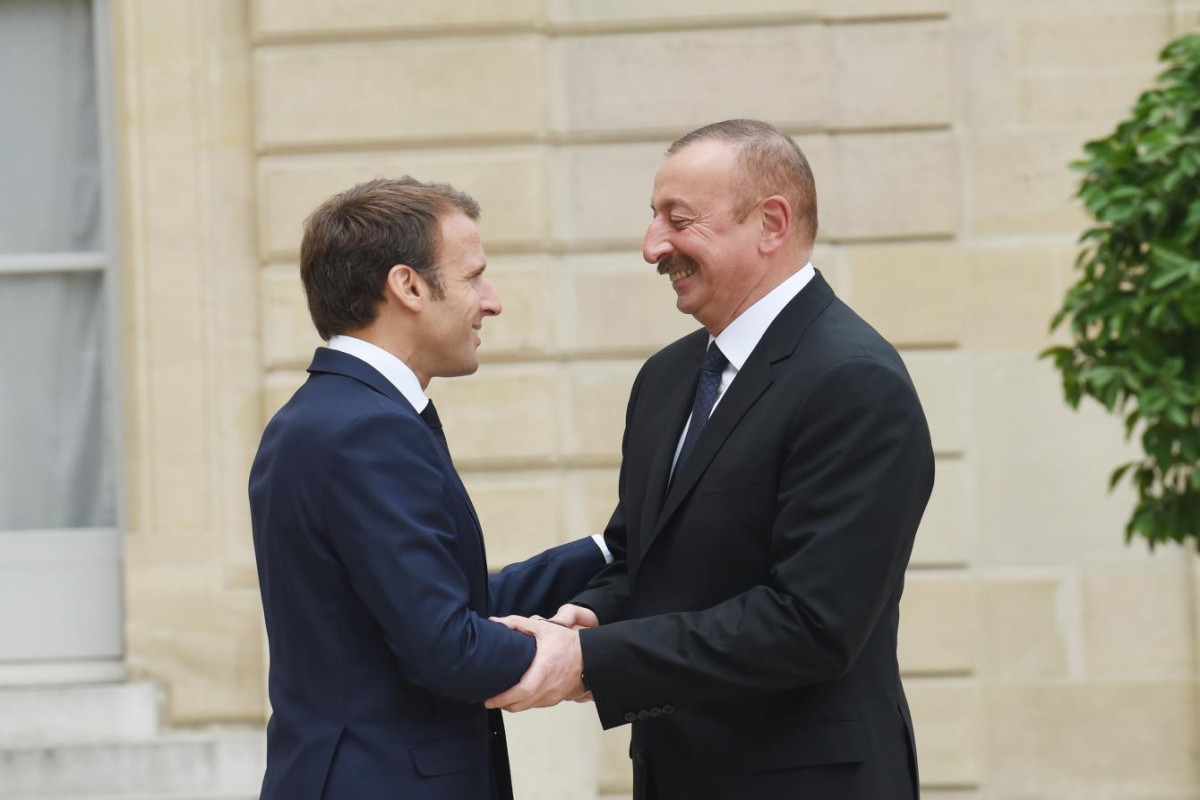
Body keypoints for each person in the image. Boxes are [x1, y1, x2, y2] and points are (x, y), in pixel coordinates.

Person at [486, 119, 935, 799]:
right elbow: (640, 558)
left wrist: (591, 661)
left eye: (679, 220)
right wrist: (593, 615)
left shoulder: (853, 380)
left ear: (771, 224)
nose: (652, 246)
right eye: (653, 218)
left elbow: (813, 623)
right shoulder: (666, 378)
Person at [249, 177, 609, 800]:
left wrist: (609, 552)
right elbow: (447, 647)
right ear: (408, 286)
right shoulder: (366, 429)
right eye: (474, 277)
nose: (492, 302)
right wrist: (590, 660)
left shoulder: (330, 415)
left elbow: (444, 603)